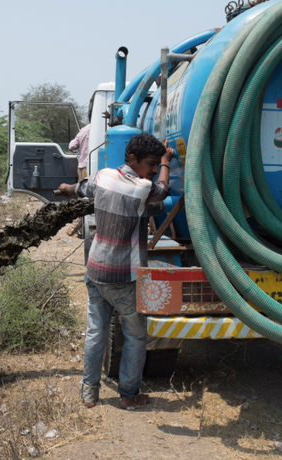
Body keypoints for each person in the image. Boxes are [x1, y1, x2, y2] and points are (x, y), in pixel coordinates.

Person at [58, 133, 174, 410]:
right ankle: (128, 395)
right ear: (132, 159)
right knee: (134, 335)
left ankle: (89, 394)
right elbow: (163, 190)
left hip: (96, 270)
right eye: (151, 163)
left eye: (158, 164)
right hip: (124, 277)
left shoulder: (102, 177)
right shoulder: (143, 188)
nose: (154, 169)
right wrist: (169, 162)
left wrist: (65, 187)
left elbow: (81, 188)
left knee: (96, 332)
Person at [66, 124, 91, 236]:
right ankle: (77, 224)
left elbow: (72, 146)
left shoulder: (83, 129)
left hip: (81, 166)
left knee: (81, 195)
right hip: (90, 165)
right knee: (88, 196)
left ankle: (78, 224)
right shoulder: (99, 128)